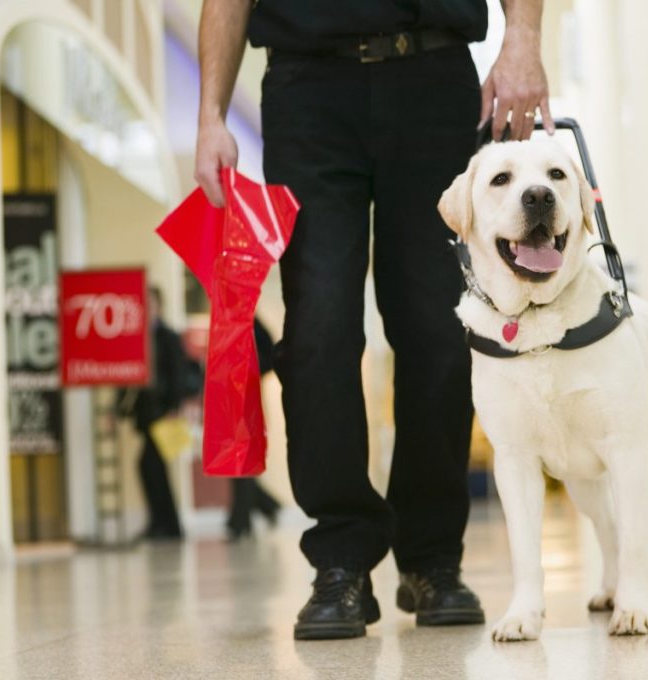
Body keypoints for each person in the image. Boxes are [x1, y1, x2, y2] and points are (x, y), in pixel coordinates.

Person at [195, 0, 553, 640]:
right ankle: (341, 558)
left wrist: (522, 40)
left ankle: (432, 559)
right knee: (319, 329)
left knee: (439, 331)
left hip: (435, 78)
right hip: (307, 89)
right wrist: (210, 115)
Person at [120, 286, 188, 541]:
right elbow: (127, 377)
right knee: (151, 468)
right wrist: (119, 410)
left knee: (151, 465)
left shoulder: (169, 337)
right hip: (146, 414)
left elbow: (178, 375)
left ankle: (167, 525)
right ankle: (163, 524)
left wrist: (174, 407)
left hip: (163, 413)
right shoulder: (137, 337)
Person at [226, 318, 282, 542]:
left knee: (242, 463)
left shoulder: (256, 327)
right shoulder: (225, 327)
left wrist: (250, 368)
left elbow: (271, 357)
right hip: (228, 401)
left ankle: (241, 521)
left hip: (249, 400)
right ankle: (266, 507)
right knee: (235, 463)